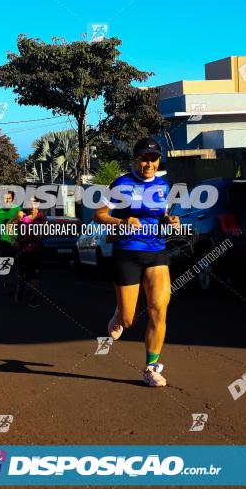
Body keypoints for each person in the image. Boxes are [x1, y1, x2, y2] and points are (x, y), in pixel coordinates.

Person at [93, 137, 180, 387]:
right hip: (127, 251)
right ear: (135, 159)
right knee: (129, 320)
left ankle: (151, 368)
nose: (149, 163)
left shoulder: (162, 185)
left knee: (158, 309)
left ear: (159, 160)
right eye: (144, 158)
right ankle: (120, 312)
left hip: (156, 250)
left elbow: (161, 214)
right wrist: (123, 222)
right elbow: (98, 215)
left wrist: (169, 221)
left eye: (153, 159)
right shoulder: (121, 184)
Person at [15, 197, 44, 306]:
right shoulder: (21, 216)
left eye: (35, 203)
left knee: (35, 276)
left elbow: (47, 231)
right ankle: (20, 290)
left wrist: (42, 234)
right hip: (23, 250)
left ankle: (33, 299)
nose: (32, 206)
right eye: (30, 203)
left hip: (37, 250)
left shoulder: (41, 217)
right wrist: (14, 240)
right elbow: (10, 226)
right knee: (23, 275)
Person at [0, 190, 23, 297]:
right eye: (5, 198)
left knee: (18, 264)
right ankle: (7, 281)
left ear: (12, 199)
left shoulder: (17, 209)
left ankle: (17, 284)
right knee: (6, 261)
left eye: (9, 199)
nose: (7, 201)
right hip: (3, 240)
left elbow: (23, 221)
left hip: (16, 240)